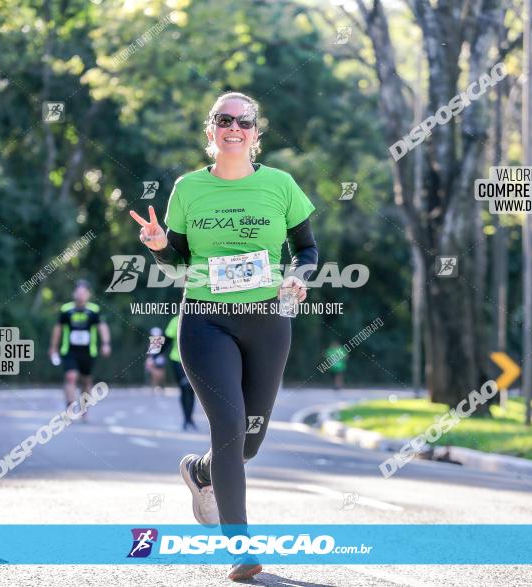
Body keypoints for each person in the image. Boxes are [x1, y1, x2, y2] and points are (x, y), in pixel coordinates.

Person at [130, 91, 318, 581]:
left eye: (244, 120)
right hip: (207, 321)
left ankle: (202, 471)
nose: (234, 127)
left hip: (268, 321)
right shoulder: (188, 188)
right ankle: (240, 546)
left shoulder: (281, 185)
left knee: (249, 440)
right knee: (230, 428)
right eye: (223, 119)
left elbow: (308, 248)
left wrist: (299, 277)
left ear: (256, 133)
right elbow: (179, 260)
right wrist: (157, 247)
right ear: (211, 130)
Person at [49, 280, 111, 420]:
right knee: (70, 377)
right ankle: (70, 407)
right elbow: (57, 329)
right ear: (74, 293)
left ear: (88, 294)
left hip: (88, 352)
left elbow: (102, 327)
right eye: (78, 291)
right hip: (69, 350)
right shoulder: (66, 310)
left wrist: (106, 343)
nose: (80, 295)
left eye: (84, 292)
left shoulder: (94, 311)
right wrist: (53, 348)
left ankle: (84, 407)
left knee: (86, 381)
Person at [164, 314, 196, 431]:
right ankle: (186, 419)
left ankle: (190, 419)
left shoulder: (199, 319)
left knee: (192, 390)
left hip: (194, 362)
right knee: (184, 388)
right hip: (177, 360)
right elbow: (166, 340)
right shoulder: (176, 320)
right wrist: (153, 356)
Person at [144, 326, 167, 394]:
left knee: (161, 374)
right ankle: (154, 387)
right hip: (154, 360)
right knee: (154, 374)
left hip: (159, 360)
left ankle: (160, 387)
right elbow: (150, 353)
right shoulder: (151, 342)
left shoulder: (161, 342)